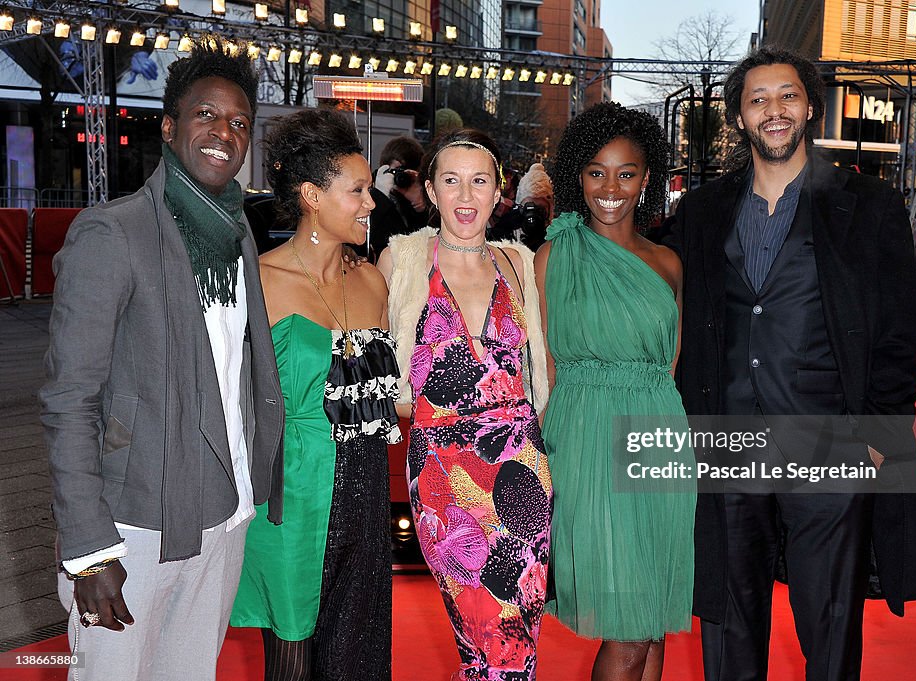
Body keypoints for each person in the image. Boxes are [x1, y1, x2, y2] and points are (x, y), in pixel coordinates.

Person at [668, 46, 916, 681]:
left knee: (829, 621)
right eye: (757, 100)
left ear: (810, 108)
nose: (774, 111)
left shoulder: (867, 205)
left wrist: (878, 440)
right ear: (739, 118)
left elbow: (903, 334)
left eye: (788, 96)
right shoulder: (701, 212)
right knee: (727, 620)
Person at [39, 39, 284, 681]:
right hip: (133, 526)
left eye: (238, 123)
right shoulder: (111, 233)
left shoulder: (236, 231)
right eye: (206, 115)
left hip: (224, 517)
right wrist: (89, 551)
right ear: (170, 126)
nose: (223, 133)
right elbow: (70, 402)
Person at [229, 108, 399, 681]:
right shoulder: (260, 280)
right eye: (357, 190)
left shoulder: (372, 280)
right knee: (292, 654)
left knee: (359, 651)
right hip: (293, 489)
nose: (371, 203)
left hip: (368, 486)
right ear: (311, 196)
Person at [377, 129, 552, 680]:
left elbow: (534, 371)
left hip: (521, 468)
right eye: (451, 181)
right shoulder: (403, 261)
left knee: (514, 630)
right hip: (442, 474)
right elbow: (373, 362)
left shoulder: (518, 264)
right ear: (430, 190)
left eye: (479, 181)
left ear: (500, 190)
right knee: (479, 630)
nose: (466, 196)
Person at [536, 101, 696, 681]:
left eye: (626, 173)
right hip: (585, 442)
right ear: (578, 176)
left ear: (646, 180)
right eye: (596, 172)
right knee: (626, 628)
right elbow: (545, 366)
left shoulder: (668, 263)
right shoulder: (554, 257)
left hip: (658, 437)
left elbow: (669, 368)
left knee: (650, 622)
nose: (610, 187)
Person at [366, 135, 430, 261]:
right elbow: (364, 235)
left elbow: (425, 240)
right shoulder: (369, 194)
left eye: (405, 172)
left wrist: (419, 206)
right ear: (384, 168)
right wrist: (380, 194)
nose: (400, 177)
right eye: (396, 171)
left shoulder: (414, 197)